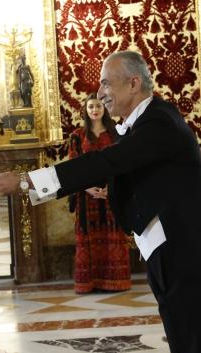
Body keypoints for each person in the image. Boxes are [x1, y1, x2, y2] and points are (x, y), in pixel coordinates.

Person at [0, 51, 201, 353]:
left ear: (133, 84)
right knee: (185, 331)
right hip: (172, 247)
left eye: (107, 84)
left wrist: (27, 181)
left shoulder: (159, 120)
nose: (101, 93)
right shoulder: (142, 123)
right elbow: (138, 172)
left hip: (188, 250)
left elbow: (106, 162)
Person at [68, 93, 130, 294]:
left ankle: (115, 281)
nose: (95, 110)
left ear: (104, 109)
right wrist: (86, 187)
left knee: (113, 234)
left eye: (98, 106)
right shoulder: (77, 136)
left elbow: (124, 164)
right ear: (85, 110)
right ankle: (90, 282)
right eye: (91, 106)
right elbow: (72, 167)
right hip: (86, 196)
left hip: (112, 192)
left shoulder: (116, 133)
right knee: (88, 236)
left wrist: (110, 189)